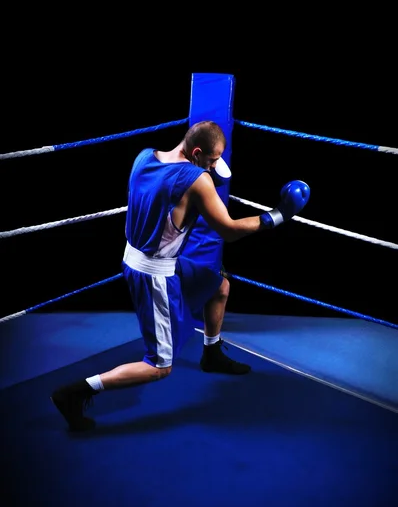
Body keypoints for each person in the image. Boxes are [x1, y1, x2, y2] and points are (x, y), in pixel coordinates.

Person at [51, 120, 310, 432]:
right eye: (214, 160)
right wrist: (279, 215)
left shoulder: (145, 157)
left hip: (139, 255)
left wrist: (204, 173)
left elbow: (170, 191)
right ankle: (76, 393)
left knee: (219, 284)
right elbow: (228, 230)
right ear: (198, 153)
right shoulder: (197, 180)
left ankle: (211, 354)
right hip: (154, 274)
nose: (217, 167)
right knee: (159, 367)